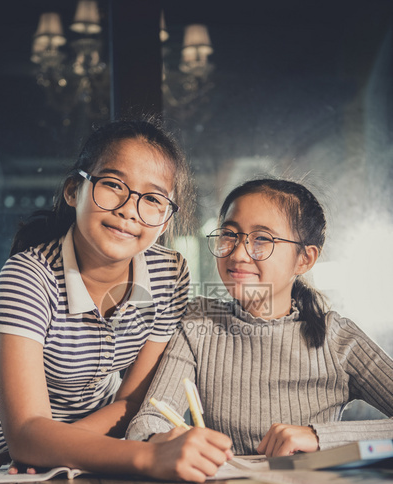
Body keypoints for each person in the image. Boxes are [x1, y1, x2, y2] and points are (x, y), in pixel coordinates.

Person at [0, 117, 232, 482]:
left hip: (95, 442)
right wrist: (148, 456)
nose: (130, 209)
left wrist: (52, 448)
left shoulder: (170, 273)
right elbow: (26, 431)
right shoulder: (28, 276)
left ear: (164, 220)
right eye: (114, 185)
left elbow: (131, 402)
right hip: (8, 459)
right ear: (73, 191)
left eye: (153, 199)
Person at [126, 179, 393, 455]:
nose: (239, 254)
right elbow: (148, 420)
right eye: (229, 235)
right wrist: (160, 442)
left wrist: (320, 436)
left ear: (305, 259)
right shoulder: (199, 322)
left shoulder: (338, 340)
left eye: (262, 239)